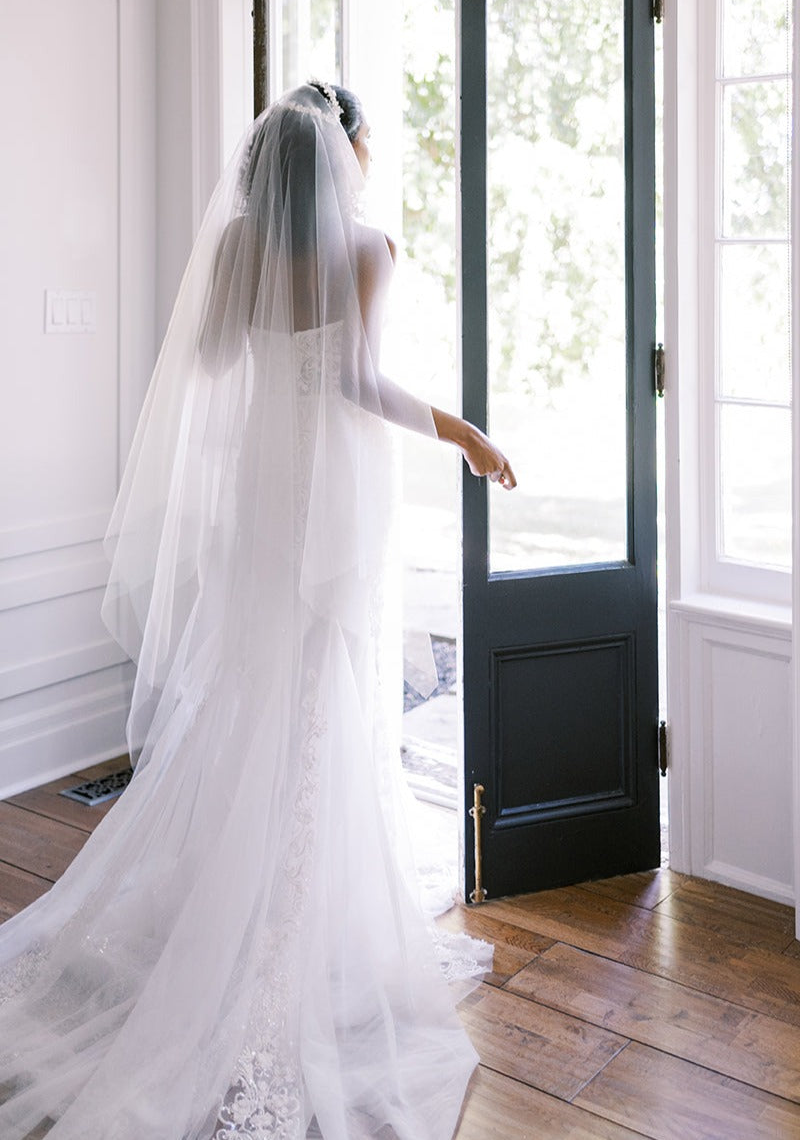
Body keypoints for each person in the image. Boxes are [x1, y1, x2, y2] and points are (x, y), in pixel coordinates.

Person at [0, 82, 515, 1139]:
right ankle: (289, 922)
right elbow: (361, 385)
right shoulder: (366, 249)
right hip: (327, 506)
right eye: (364, 140)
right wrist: (462, 432)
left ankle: (231, 895)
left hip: (257, 506)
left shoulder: (238, 247)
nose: (368, 156)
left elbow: (210, 362)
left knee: (249, 694)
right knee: (318, 704)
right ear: (340, 149)